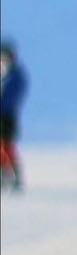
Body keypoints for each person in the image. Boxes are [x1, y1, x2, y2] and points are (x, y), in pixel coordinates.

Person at [0, 41, 30, 192]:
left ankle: (13, 176)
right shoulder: (8, 75)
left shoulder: (15, 76)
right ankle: (7, 175)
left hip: (7, 116)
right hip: (6, 115)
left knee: (7, 146)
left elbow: (10, 98)